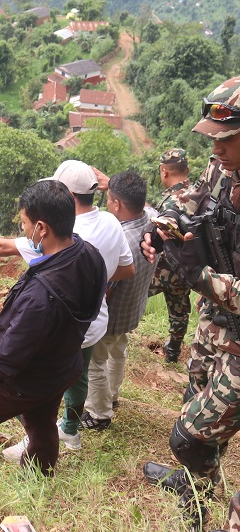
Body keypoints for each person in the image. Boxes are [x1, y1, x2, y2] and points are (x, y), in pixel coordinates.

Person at [0, 160, 133, 454]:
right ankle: (39, 473)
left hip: (33, 376)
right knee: (42, 422)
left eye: (24, 224)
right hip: (65, 364)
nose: (23, 228)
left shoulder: (40, 294)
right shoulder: (90, 254)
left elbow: (17, 346)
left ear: (42, 228)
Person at [141, 76, 240, 532]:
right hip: (214, 317)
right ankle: (193, 483)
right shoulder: (222, 167)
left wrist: (199, 277)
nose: (215, 150)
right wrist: (162, 228)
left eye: (226, 140)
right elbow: (197, 195)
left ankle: (198, 512)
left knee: (191, 433)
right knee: (193, 394)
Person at [82, 171, 157, 429]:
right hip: (132, 309)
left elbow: (107, 288)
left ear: (117, 204)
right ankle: (112, 396)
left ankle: (99, 413)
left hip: (112, 314)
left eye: (109, 199)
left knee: (96, 363)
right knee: (118, 352)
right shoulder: (151, 224)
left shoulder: (120, 238)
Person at [149, 148, 193, 362]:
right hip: (185, 267)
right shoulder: (197, 194)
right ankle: (174, 350)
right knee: (179, 309)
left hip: (161, 268)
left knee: (131, 292)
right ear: (187, 169)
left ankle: (114, 333)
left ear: (164, 171)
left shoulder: (170, 202)